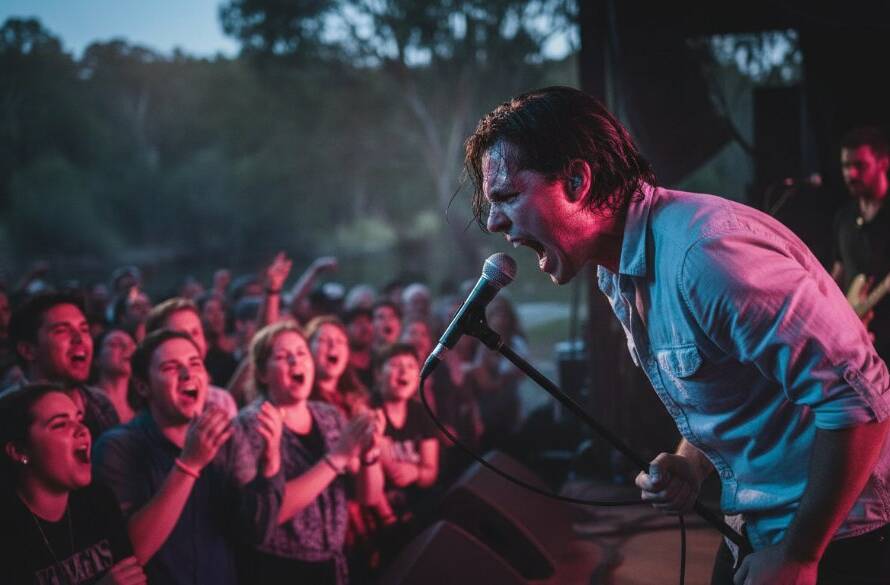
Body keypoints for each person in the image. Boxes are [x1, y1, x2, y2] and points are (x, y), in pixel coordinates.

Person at [465, 86, 890, 584]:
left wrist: (800, 554)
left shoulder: (705, 257)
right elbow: (735, 392)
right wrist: (691, 463)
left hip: (842, 537)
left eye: (508, 196)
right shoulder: (618, 271)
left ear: (578, 179)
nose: (495, 222)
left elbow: (860, 401)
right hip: (758, 525)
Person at [92, 329, 283, 585]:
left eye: (195, 364)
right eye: (171, 367)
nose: (187, 374)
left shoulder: (225, 437)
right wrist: (189, 464)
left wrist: (269, 464)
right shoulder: (117, 447)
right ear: (142, 386)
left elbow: (255, 532)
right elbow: (130, 554)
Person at [235, 321, 383, 584]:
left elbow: (367, 496)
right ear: (261, 374)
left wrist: (370, 456)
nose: (296, 362)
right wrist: (337, 457)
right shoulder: (251, 424)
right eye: (282, 357)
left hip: (332, 565)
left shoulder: (328, 415)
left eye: (302, 353)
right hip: (280, 571)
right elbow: (271, 513)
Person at [0, 383, 146, 585]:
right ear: (19, 452)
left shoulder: (98, 499)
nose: (82, 430)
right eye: (60, 424)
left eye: (80, 419)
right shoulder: (8, 532)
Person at [7, 292, 120, 439]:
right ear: (28, 350)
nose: (79, 339)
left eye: (84, 329)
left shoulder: (100, 404)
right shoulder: (7, 413)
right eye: (62, 331)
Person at [831, 126, 890, 362]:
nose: (851, 174)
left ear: (883, 163)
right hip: (855, 347)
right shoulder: (844, 217)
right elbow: (837, 274)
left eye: (860, 166)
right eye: (846, 166)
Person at [144, 298, 238, 417]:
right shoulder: (145, 405)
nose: (192, 341)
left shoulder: (221, 401)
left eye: (195, 332)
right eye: (181, 335)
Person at [306, 316, 370, 417]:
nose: (333, 345)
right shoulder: (302, 400)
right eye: (324, 340)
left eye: (340, 341)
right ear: (307, 348)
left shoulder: (357, 400)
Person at [91, 328, 137, 424]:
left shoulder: (143, 409)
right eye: (115, 344)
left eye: (131, 344)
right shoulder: (84, 401)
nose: (126, 348)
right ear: (96, 359)